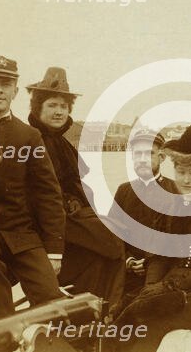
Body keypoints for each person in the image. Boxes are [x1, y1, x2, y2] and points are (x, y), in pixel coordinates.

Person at [112, 115, 191, 352]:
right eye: (181, 172)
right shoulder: (170, 206)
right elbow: (160, 255)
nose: (186, 179)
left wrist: (171, 286)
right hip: (171, 284)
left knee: (155, 323)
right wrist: (151, 285)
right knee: (130, 312)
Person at [0, 57, 65, 315]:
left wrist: (54, 251)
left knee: (51, 301)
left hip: (22, 234)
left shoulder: (29, 135)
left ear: (15, 91)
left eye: (5, 84)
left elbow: (49, 194)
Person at [25, 67, 125, 308]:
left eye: (64, 106)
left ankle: (96, 310)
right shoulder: (30, 138)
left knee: (109, 242)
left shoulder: (60, 142)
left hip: (69, 216)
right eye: (52, 105)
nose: (59, 111)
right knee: (114, 241)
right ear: (38, 108)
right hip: (47, 220)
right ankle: (107, 308)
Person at [108, 127, 177, 304]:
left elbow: (175, 238)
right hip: (128, 266)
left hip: (162, 266)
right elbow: (113, 234)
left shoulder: (175, 191)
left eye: (149, 154)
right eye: (137, 154)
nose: (142, 160)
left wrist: (147, 262)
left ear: (161, 157)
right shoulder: (124, 191)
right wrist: (129, 260)